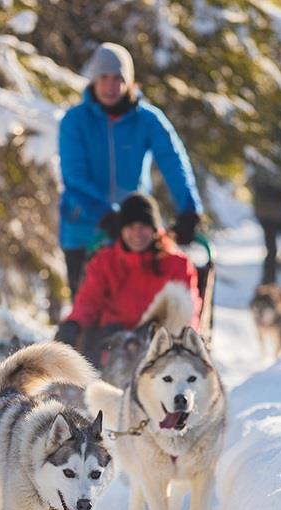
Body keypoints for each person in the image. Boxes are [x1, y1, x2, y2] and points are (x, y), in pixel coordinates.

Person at [58, 42, 203, 300]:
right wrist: (106, 214)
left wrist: (188, 210)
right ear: (94, 80)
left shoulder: (147, 119)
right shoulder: (75, 121)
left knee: (131, 311)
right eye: (103, 78)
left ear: (129, 81)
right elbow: (74, 177)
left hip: (133, 232)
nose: (110, 86)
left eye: (118, 78)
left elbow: (173, 161)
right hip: (83, 230)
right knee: (88, 312)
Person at [54, 193, 201, 362]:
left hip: (159, 345)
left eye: (143, 226)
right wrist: (74, 323)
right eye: (130, 227)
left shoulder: (176, 264)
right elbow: (88, 301)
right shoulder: (105, 261)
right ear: (121, 230)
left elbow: (187, 312)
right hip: (113, 340)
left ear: (154, 229)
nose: (137, 233)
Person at [251, 163, 281, 286]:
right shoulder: (262, 160)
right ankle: (269, 282)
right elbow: (257, 185)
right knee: (272, 249)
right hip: (268, 215)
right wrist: (280, 192)